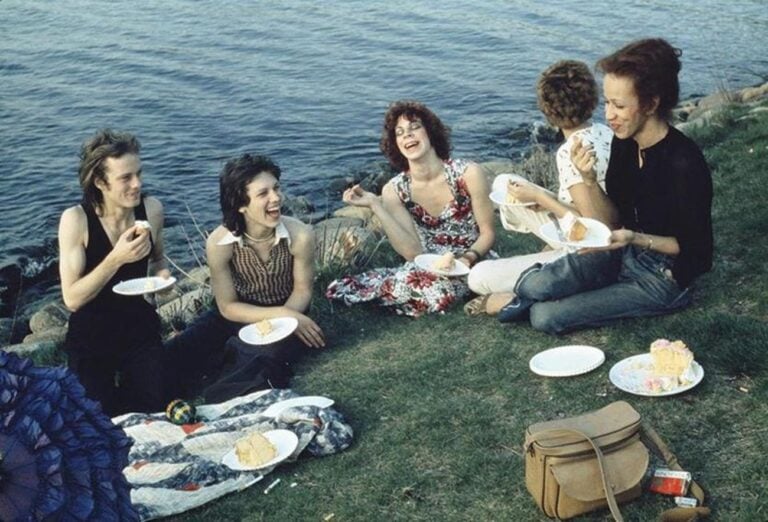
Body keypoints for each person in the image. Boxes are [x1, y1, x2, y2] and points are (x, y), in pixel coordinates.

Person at [496, 38, 713, 334]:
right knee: (537, 283)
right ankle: (532, 290)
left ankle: (534, 298)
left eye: (620, 105)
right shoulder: (623, 143)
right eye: (607, 102)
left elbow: (697, 253)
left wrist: (635, 238)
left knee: (545, 317)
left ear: (651, 103)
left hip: (664, 275)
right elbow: (609, 221)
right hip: (621, 251)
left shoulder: (684, 162)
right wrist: (588, 181)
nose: (608, 115)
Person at [165, 154, 324, 403]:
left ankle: (219, 397)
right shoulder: (219, 242)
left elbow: (302, 291)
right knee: (178, 350)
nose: (276, 198)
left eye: (276, 188)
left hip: (289, 310)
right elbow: (227, 306)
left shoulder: (300, 235)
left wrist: (287, 317)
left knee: (263, 356)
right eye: (263, 194)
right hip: (238, 312)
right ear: (240, 204)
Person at [466, 60, 617, 315]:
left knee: (477, 277)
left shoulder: (570, 151)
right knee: (505, 183)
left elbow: (593, 225)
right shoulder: (604, 132)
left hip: (590, 248)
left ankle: (524, 290)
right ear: (592, 98)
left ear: (547, 111)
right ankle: (551, 250)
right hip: (592, 225)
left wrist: (540, 197)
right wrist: (539, 198)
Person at [325, 100, 495, 317]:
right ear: (396, 144)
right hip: (427, 265)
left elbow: (488, 232)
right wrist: (376, 205)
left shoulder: (469, 173)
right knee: (342, 287)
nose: (407, 135)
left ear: (431, 133)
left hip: (473, 258)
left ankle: (397, 298)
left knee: (437, 291)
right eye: (400, 132)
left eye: (415, 127)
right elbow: (413, 252)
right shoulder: (394, 190)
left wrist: (466, 259)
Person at [59, 129, 169, 415]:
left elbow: (159, 261)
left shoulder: (152, 210)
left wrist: (163, 280)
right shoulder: (76, 221)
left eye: (139, 174)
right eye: (126, 178)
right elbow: (72, 299)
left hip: (138, 326)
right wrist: (116, 258)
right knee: (98, 417)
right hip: (91, 335)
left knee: (153, 409)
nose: (137, 184)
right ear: (99, 182)